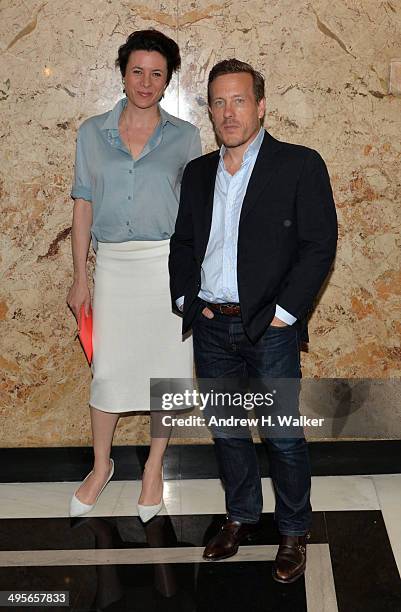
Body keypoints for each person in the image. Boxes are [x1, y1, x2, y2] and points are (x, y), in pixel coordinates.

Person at [169, 58, 337, 582]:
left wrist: (286, 313)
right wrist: (185, 301)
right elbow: (185, 244)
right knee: (227, 433)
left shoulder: (299, 164)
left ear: (260, 106)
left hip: (269, 329)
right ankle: (240, 516)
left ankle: (293, 531)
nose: (228, 112)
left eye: (238, 100)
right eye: (218, 102)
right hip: (212, 326)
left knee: (283, 436)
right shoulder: (198, 173)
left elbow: (318, 244)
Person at [67, 29, 201, 522]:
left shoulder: (185, 136)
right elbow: (83, 205)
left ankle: (153, 467)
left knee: (164, 374)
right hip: (115, 269)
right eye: (137, 70)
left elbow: (193, 213)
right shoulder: (90, 132)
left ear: (168, 81)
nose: (146, 82)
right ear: (123, 73)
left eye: (157, 73)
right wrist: (80, 277)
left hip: (166, 267)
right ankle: (100, 467)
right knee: (108, 371)